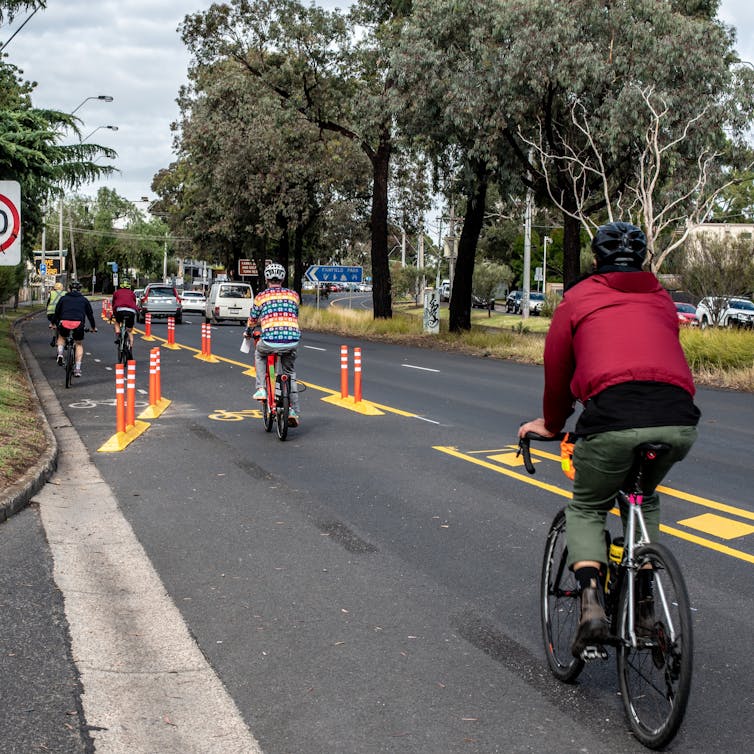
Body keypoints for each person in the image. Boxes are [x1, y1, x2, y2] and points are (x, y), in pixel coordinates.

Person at [518, 221, 700, 658]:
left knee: (587, 507)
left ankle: (592, 605)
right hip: (678, 420)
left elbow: (558, 371)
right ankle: (641, 599)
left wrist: (551, 422)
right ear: (642, 261)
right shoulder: (662, 299)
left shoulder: (578, 300)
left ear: (595, 261)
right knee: (645, 498)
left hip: (613, 418)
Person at [244, 263, 301, 426]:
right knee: (290, 374)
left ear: (267, 278)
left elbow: (253, 319)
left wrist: (248, 331)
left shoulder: (261, 297)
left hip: (269, 341)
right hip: (292, 341)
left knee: (260, 354)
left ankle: (261, 388)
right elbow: (295, 314)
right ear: (282, 279)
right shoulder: (293, 295)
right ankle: (292, 411)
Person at [53, 279, 98, 377]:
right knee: (78, 344)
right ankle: (77, 369)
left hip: (64, 322)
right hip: (78, 324)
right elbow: (90, 315)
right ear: (80, 290)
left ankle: (60, 354)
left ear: (69, 289)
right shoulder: (84, 300)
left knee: (61, 337)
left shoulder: (63, 299)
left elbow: (56, 312)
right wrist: (93, 327)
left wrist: (53, 323)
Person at [111, 279, 138, 350]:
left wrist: (114, 313)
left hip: (120, 310)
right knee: (129, 330)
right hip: (131, 311)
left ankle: (118, 336)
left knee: (117, 322)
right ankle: (130, 348)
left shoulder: (116, 293)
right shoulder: (132, 293)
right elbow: (134, 303)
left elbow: (114, 304)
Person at [46, 282, 65, 347]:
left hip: (51, 313)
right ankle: (62, 338)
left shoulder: (51, 293)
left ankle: (54, 337)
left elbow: (48, 303)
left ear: (54, 288)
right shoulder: (65, 293)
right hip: (62, 313)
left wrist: (47, 310)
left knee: (54, 324)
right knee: (62, 325)